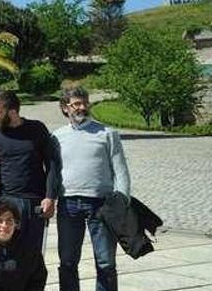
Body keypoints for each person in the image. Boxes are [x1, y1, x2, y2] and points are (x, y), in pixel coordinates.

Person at [53, 87, 130, 291]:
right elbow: (51, 172)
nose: (82, 107)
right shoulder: (57, 136)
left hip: (101, 204)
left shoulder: (107, 133)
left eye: (85, 102)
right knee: (68, 262)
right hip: (68, 205)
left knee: (106, 262)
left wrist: (122, 201)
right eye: (76, 103)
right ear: (64, 108)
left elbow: (121, 171)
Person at [0, 91, 61, 253]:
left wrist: (50, 197)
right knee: (7, 251)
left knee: (33, 253)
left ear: (12, 112)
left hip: (34, 202)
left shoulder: (37, 129)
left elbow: (52, 165)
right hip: (7, 201)